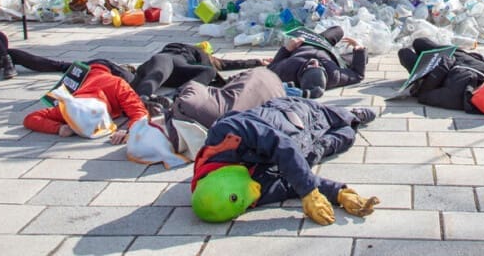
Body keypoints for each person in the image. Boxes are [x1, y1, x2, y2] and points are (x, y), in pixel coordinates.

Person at [190, 97, 379, 224]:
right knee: (345, 137)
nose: (257, 192)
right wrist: (338, 193)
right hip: (307, 149)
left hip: (292, 117)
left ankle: (352, 114)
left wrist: (308, 192)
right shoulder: (250, 193)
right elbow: (289, 185)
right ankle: (352, 122)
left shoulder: (227, 133)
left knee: (330, 115)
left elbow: (280, 144)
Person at [23, 62, 146, 143]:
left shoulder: (118, 85)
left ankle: (126, 68)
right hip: (84, 71)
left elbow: (139, 112)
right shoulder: (68, 109)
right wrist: (58, 128)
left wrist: (129, 131)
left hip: (106, 68)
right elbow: (31, 118)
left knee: (132, 78)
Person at [397, 37, 484, 114]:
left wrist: (444, 67)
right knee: (419, 42)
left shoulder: (453, 97)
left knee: (404, 53)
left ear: (480, 91)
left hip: (431, 70)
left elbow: (424, 95)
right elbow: (481, 61)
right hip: (451, 55)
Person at [128, 42, 268, 100]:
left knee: (157, 74)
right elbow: (224, 64)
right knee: (156, 74)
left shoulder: (200, 59)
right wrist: (257, 62)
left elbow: (223, 64)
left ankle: (165, 96)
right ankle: (144, 97)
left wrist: (256, 62)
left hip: (176, 68)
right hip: (172, 62)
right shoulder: (191, 50)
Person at [267, 26, 367, 97]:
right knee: (363, 57)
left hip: (310, 44)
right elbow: (358, 75)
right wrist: (359, 48)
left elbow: (270, 69)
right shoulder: (334, 77)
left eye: (311, 65)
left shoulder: (288, 71)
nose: (315, 62)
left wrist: (287, 48)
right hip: (332, 58)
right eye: (319, 66)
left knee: (337, 29)